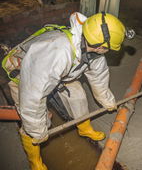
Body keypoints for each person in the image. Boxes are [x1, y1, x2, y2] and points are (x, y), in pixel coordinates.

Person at [2, 12, 126, 170]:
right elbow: (33, 96)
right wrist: (38, 130)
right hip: (23, 76)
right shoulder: (58, 52)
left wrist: (107, 100)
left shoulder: (93, 50)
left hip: (62, 72)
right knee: (32, 122)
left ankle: (84, 128)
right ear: (100, 46)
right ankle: (35, 161)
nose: (108, 52)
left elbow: (98, 76)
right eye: (108, 49)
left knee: (78, 96)